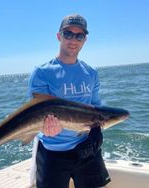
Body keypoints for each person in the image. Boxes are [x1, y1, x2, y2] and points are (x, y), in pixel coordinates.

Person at [28, 14, 111, 188]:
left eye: (79, 35)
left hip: (87, 148)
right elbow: (38, 111)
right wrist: (45, 127)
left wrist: (96, 133)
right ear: (59, 36)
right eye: (68, 34)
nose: (74, 39)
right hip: (53, 153)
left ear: (85, 40)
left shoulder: (91, 73)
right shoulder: (42, 73)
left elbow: (96, 107)